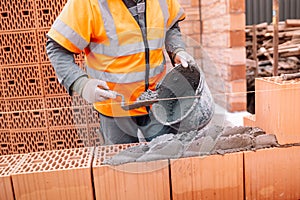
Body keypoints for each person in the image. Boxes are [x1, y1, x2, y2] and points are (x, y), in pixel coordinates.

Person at [46, 0, 197, 145]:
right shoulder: (88, 3)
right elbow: (57, 48)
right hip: (114, 106)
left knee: (166, 158)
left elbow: (171, 25)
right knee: (123, 166)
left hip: (157, 101)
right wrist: (81, 84)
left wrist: (176, 49)